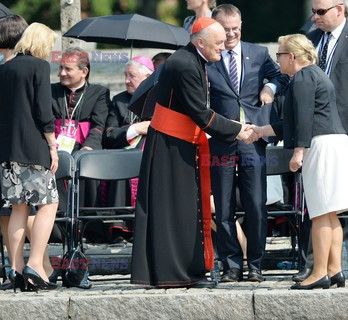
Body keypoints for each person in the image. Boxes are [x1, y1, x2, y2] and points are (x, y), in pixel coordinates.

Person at [130, 17, 253, 288]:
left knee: (186, 209)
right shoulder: (186, 64)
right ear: (200, 42)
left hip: (179, 142)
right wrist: (237, 129)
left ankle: (185, 271)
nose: (224, 47)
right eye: (218, 43)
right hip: (171, 145)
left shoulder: (193, 59)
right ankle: (177, 273)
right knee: (177, 210)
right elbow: (200, 113)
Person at [248, 33, 348, 289]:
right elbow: (292, 121)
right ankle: (335, 270)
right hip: (334, 143)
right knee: (331, 213)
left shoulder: (301, 77)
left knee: (321, 213)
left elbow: (303, 121)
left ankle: (318, 273)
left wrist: (298, 152)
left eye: (279, 55)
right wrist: (260, 130)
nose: (277, 61)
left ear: (291, 56)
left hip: (319, 146)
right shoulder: (315, 74)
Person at [295, 0, 348, 282]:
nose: (314, 17)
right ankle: (317, 265)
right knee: (320, 202)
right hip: (319, 134)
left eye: (320, 12)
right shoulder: (312, 40)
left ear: (340, 9)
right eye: (313, 11)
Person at [207, 4, 289, 283]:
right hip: (221, 140)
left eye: (235, 29)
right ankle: (231, 265)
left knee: (256, 204)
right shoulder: (209, 56)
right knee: (225, 205)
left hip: (254, 139)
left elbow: (281, 76)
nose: (231, 35)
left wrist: (270, 88)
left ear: (242, 25)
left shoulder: (259, 53)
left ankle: (255, 264)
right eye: (225, 29)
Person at [0, 22, 58, 292]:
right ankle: (35, 263)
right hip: (34, 148)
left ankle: (16, 268)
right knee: (48, 204)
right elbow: (43, 111)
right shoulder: (39, 66)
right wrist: (53, 145)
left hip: (8, 151)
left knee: (18, 208)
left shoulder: (4, 68)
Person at [51, 47, 110, 244]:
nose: (62, 73)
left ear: (84, 71)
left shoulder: (99, 92)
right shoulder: (51, 91)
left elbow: (98, 124)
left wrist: (89, 147)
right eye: (60, 68)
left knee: (88, 165)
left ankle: (90, 228)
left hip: (85, 146)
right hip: (56, 146)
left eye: (68, 69)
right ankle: (59, 231)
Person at [103, 56, 153, 241]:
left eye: (131, 76)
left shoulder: (161, 98)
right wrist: (136, 129)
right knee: (122, 163)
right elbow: (109, 135)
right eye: (125, 75)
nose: (126, 80)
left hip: (152, 153)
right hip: (124, 154)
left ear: (147, 77)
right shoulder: (119, 101)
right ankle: (120, 229)